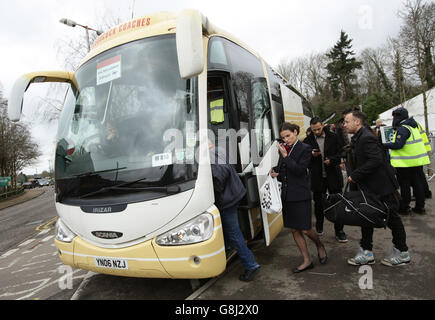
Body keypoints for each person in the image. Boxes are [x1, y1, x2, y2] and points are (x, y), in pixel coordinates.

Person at [343, 110, 410, 267]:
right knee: (365, 217)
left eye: (347, 121)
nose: (344, 124)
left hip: (382, 187)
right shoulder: (359, 137)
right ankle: (367, 251)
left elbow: (376, 160)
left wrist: (355, 175)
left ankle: (402, 252)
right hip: (369, 187)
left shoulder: (366, 138)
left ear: (357, 122)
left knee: (392, 219)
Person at [270, 122, 328, 273]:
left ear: (295, 132)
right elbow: (284, 172)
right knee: (295, 230)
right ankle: (306, 260)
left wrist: (285, 156)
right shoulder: (284, 149)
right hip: (287, 195)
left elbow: (299, 171)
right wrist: (276, 173)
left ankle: (319, 245)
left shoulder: (305, 148)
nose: (286, 140)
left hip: (301, 195)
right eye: (283, 137)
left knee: (306, 229)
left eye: (288, 136)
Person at [209, 141, 260, 282]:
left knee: (233, 232)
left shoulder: (211, 155)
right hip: (234, 195)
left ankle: (251, 265)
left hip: (227, 200)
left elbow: (219, 178)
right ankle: (225, 253)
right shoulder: (218, 150)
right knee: (225, 229)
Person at [303, 117, 347, 242]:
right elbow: (304, 160)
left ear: (322, 125)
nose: (316, 132)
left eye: (318, 129)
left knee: (337, 203)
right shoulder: (307, 140)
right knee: (318, 203)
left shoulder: (333, 137)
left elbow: (341, 153)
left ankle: (339, 231)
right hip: (317, 177)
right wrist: (311, 155)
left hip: (333, 175)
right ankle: (319, 224)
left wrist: (332, 160)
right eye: (314, 130)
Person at [383, 108, 430, 215]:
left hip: (405, 163)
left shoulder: (403, 128)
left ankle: (404, 207)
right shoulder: (413, 126)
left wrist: (383, 144)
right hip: (416, 162)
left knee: (405, 186)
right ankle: (420, 207)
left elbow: (398, 145)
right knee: (418, 185)